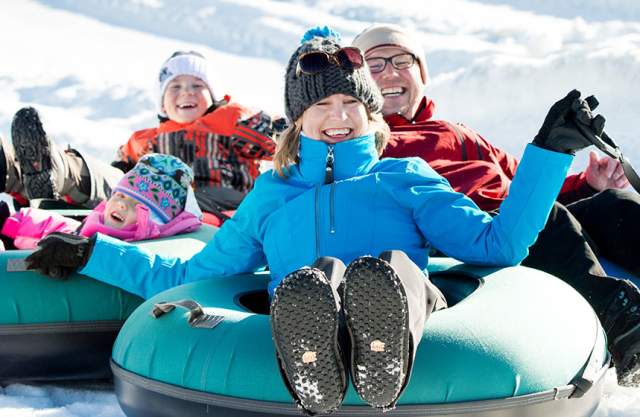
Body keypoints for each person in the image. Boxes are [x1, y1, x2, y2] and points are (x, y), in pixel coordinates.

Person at [25, 27, 600, 414]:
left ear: (370, 114)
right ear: (298, 121)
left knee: (391, 269)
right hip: (303, 310)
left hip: (407, 304)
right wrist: (91, 251)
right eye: (321, 106)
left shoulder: (404, 178)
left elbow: (496, 245)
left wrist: (550, 152)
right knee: (315, 276)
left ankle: (382, 334)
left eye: (352, 104)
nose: (339, 117)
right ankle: (311, 340)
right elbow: (195, 275)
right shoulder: (271, 196)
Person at [352, 22, 640, 387]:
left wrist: (586, 184)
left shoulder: (458, 133)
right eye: (374, 65)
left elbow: (526, 181)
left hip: (519, 217)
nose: (390, 71)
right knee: (548, 219)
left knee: (617, 205)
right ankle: (624, 327)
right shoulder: (363, 143)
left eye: (401, 60)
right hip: (462, 234)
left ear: (421, 73)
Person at [2, 50, 277, 225]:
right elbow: (115, 180)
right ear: (161, 104)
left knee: (126, 191)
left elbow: (282, 139)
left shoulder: (232, 119)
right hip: (152, 205)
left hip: (221, 206)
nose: (187, 93)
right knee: (113, 182)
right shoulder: (145, 141)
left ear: (214, 95)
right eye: (175, 87)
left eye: (197, 85)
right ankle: (38, 169)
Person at [0, 154, 201, 262]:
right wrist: (9, 220)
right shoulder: (98, 222)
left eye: (138, 205)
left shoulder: (140, 253)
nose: (122, 203)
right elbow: (59, 227)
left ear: (156, 223)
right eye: (120, 195)